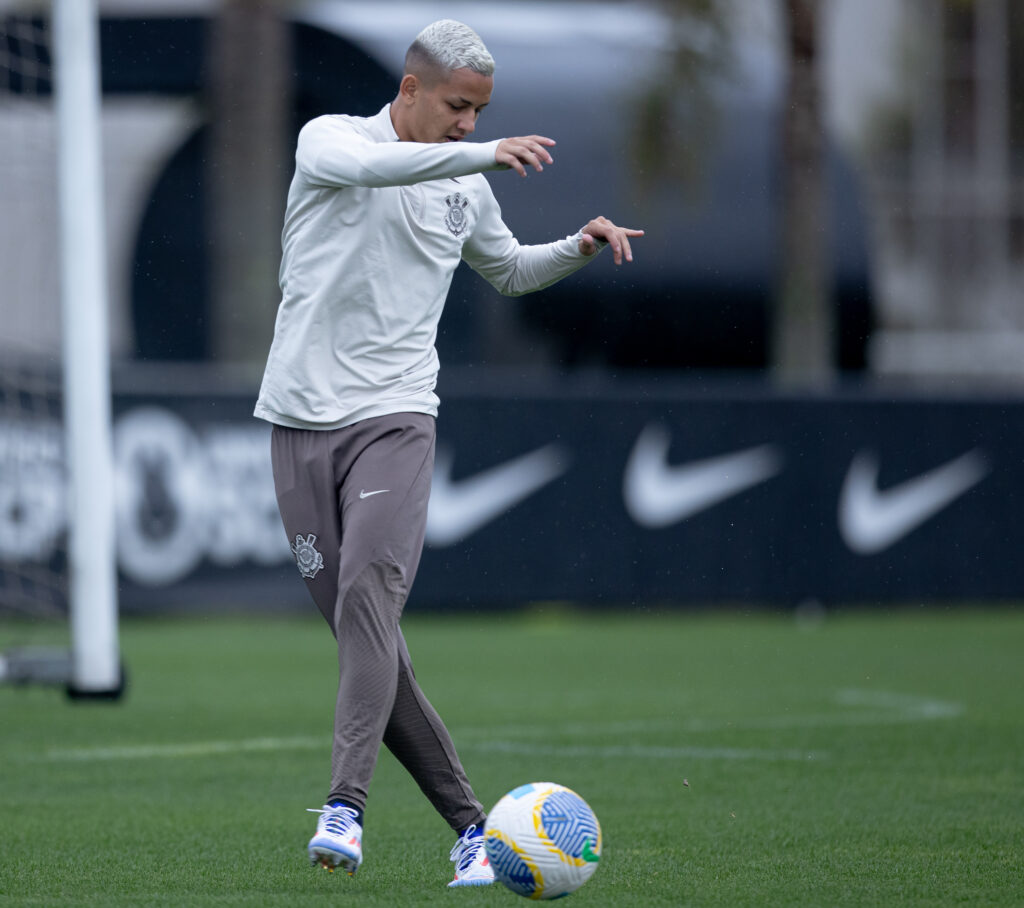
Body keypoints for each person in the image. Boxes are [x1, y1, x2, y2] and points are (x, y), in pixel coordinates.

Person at [254, 18, 643, 888]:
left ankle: (344, 810)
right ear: (409, 89)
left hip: (397, 419)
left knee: (367, 599)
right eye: (458, 108)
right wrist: (483, 154)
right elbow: (375, 169)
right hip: (297, 426)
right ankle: (473, 829)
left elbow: (506, 269)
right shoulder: (332, 141)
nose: (469, 126)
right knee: (369, 638)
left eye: (480, 114)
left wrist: (574, 251)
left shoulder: (467, 183)